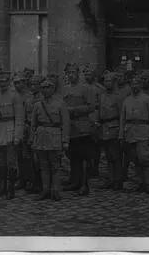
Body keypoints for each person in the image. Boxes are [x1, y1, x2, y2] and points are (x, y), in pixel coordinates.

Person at [31, 75, 70, 201]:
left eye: (48, 88)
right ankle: (45, 190)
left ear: (53, 89)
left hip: (55, 137)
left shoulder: (60, 104)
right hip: (41, 138)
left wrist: (65, 141)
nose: (45, 90)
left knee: (55, 165)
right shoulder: (37, 105)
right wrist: (32, 139)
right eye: (43, 88)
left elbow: (65, 123)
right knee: (43, 166)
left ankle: (56, 191)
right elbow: (33, 124)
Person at [0, 70, 25, 200]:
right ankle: (2, 188)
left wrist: (17, 136)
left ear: (9, 81)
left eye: (5, 81)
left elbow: (20, 118)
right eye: (0, 81)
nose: (2, 83)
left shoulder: (15, 96)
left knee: (11, 162)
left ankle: (10, 189)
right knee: (1, 163)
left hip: (10, 132)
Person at [119, 73, 149, 194]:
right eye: (132, 84)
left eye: (137, 83)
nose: (134, 86)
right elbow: (122, 119)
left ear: (141, 85)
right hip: (130, 133)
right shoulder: (127, 100)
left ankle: (148, 183)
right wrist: (121, 135)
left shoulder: (148, 99)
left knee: (145, 159)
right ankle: (140, 182)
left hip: (143, 133)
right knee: (135, 159)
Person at [62, 62, 97, 196]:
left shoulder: (86, 89)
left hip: (83, 127)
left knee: (84, 158)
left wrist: (74, 110)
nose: (71, 75)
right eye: (68, 73)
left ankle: (84, 184)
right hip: (70, 128)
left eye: (73, 72)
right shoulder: (64, 89)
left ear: (78, 74)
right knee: (73, 157)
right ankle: (75, 182)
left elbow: (91, 107)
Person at [97, 71, 123, 189]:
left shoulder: (118, 97)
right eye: (105, 81)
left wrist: (121, 131)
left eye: (109, 81)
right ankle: (111, 178)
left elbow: (122, 115)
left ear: (114, 82)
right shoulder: (102, 96)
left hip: (114, 127)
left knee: (115, 156)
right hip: (104, 127)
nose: (107, 83)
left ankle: (118, 180)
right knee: (108, 155)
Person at [13, 72, 37, 193]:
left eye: (19, 82)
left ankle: (31, 180)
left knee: (29, 156)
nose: (17, 85)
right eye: (15, 83)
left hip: (28, 127)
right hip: (17, 128)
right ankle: (21, 178)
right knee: (19, 156)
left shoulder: (30, 96)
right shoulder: (14, 96)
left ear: (24, 82)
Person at [82, 63, 104, 178]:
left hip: (95, 115)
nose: (87, 76)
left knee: (96, 145)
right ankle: (87, 167)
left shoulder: (100, 89)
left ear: (94, 75)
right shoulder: (81, 87)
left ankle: (95, 167)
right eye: (85, 73)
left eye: (89, 73)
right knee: (85, 144)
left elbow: (102, 104)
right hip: (84, 116)